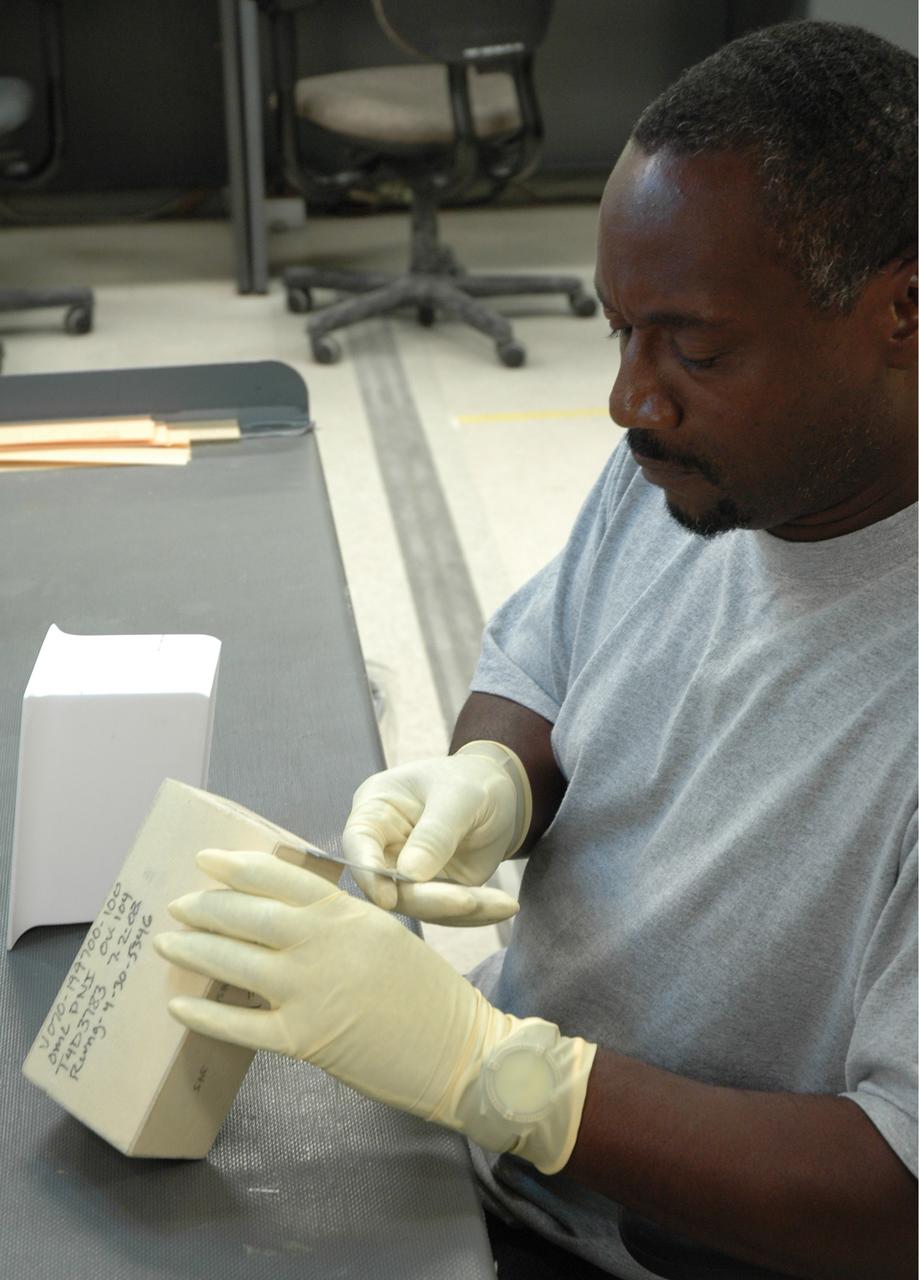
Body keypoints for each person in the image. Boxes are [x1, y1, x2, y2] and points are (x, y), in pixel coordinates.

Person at [153, 20, 917, 1280]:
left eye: (695, 347)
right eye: (620, 331)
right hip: (493, 1146)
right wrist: (491, 776)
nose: (631, 400)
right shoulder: (697, 466)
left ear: (900, 308)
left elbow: (891, 1199)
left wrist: (494, 1071)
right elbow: (543, 665)